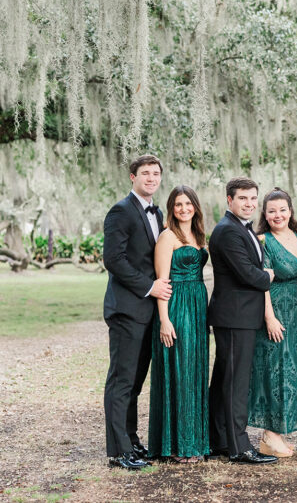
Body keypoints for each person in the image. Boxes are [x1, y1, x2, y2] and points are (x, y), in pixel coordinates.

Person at [103, 154, 172, 470]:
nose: (151, 178)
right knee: (122, 381)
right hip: (128, 309)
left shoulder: (157, 214)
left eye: (156, 173)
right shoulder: (121, 211)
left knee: (136, 381)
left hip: (148, 313)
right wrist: (150, 287)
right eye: (145, 173)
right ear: (132, 177)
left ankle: (131, 442)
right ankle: (118, 451)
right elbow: (114, 260)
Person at [207, 177, 277, 464]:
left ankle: (220, 439)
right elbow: (251, 274)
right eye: (242, 199)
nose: (249, 204)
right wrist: (269, 276)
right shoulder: (227, 232)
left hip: (241, 316)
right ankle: (239, 447)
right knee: (236, 383)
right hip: (234, 317)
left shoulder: (241, 229)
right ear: (229, 201)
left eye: (252, 199)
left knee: (226, 378)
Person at [247, 188, 297, 458]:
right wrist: (269, 317)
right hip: (275, 313)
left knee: (293, 371)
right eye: (272, 211)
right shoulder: (263, 240)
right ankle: (269, 435)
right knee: (273, 371)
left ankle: (280, 432)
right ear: (265, 214)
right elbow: (262, 282)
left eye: (282, 210)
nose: (278, 215)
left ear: (290, 211)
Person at [148, 185, 210, 463]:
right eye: (178, 204)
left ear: (195, 206)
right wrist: (164, 320)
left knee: (195, 370)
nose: (184, 209)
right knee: (179, 370)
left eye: (188, 204)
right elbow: (162, 282)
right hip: (176, 306)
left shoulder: (198, 235)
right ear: (171, 208)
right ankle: (176, 444)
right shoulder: (167, 236)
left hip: (198, 307)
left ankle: (195, 441)